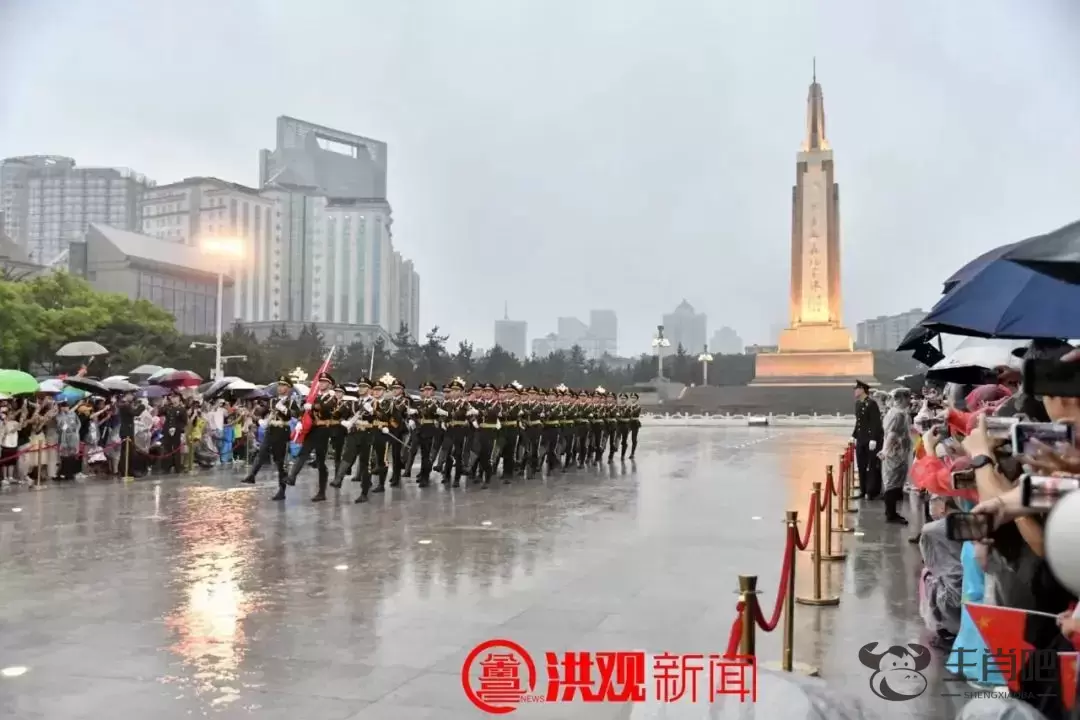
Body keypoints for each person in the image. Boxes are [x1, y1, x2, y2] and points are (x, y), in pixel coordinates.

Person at [242, 376, 299, 499]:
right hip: (271, 429)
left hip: (282, 431)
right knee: (262, 451)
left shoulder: (291, 402)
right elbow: (263, 412)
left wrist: (283, 408)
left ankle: (282, 491)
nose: (280, 388)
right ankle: (252, 475)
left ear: (288, 388)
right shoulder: (272, 401)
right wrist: (253, 413)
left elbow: (296, 414)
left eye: (283, 385)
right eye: (279, 385)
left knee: (280, 462)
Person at [285, 373, 338, 502]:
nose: (321, 384)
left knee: (320, 461)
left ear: (329, 384)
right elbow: (304, 409)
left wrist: (313, 406)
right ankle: (292, 477)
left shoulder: (332, 396)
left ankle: (321, 491)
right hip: (312, 429)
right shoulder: (314, 395)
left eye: (325, 382)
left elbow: (327, 407)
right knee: (303, 452)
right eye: (320, 381)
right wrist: (299, 420)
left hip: (323, 429)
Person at [879, 387, 913, 524]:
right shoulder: (898, 414)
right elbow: (892, 434)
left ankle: (891, 512)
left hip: (895, 451)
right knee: (893, 482)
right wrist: (885, 451)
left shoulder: (894, 412)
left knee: (892, 481)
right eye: (908, 398)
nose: (909, 400)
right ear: (902, 399)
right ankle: (891, 513)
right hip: (895, 453)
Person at [852, 379, 883, 500]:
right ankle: (862, 489)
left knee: (871, 466)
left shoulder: (871, 403)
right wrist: (854, 435)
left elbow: (875, 422)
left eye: (856, 389)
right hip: (861, 439)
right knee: (861, 465)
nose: (854, 391)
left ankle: (871, 491)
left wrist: (874, 439)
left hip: (870, 440)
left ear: (862, 390)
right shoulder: (858, 404)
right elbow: (859, 422)